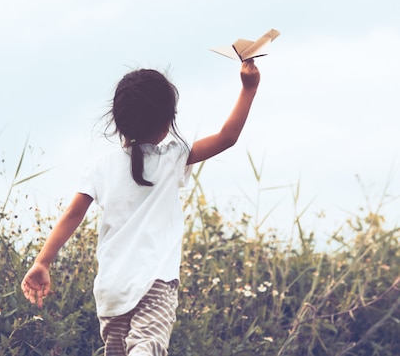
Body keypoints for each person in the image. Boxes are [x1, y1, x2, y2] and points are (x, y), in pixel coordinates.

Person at [21, 59, 261, 355]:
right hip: (154, 284)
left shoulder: (100, 167)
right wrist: (249, 89)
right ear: (166, 123)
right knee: (147, 349)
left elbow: (72, 215)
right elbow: (227, 137)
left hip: (111, 290)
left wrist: (42, 262)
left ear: (118, 119)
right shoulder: (173, 157)